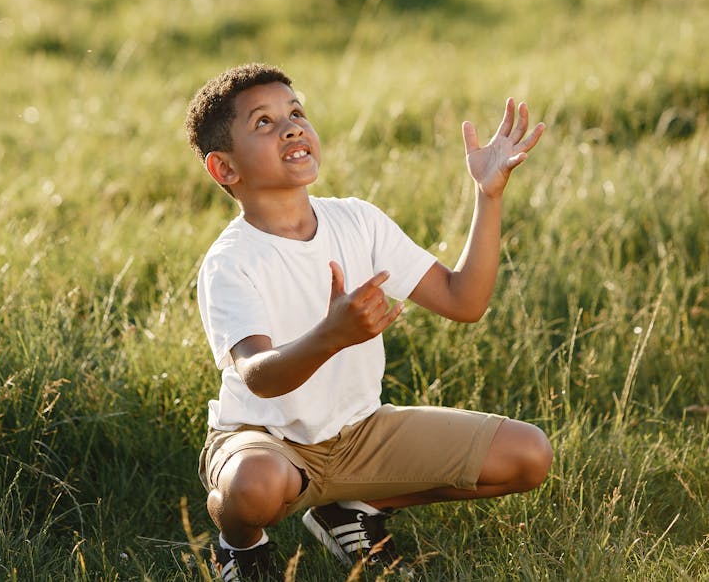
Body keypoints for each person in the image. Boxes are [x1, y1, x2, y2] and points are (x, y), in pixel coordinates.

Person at [186, 63, 552, 581]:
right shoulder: (231, 260)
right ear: (224, 169)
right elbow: (259, 378)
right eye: (263, 123)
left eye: (296, 112)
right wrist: (331, 336)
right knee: (252, 485)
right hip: (265, 439)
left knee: (528, 455)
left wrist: (487, 196)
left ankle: (347, 509)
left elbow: (463, 300)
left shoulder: (357, 220)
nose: (291, 127)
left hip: (360, 434)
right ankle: (241, 548)